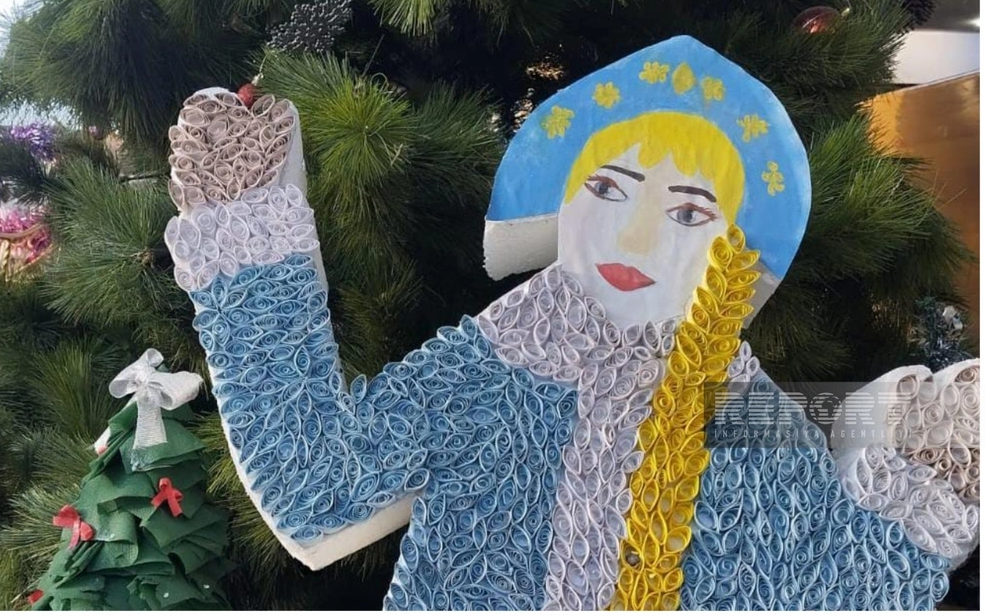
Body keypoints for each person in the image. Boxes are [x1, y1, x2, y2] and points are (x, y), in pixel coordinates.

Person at [164, 37, 978, 610]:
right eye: (610, 189)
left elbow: (826, 583)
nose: (636, 237)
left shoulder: (738, 412)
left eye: (688, 211)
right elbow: (316, 483)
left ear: (732, 248)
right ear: (567, 198)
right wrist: (247, 224)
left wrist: (929, 482)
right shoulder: (495, 366)